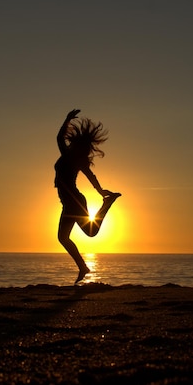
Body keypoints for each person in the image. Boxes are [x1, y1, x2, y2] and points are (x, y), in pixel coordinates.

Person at [55, 109, 121, 283]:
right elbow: (59, 138)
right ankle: (83, 268)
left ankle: (107, 203)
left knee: (80, 234)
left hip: (74, 200)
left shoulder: (75, 159)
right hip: (69, 201)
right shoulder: (67, 154)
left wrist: (100, 191)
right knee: (68, 237)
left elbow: (90, 176)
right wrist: (67, 119)